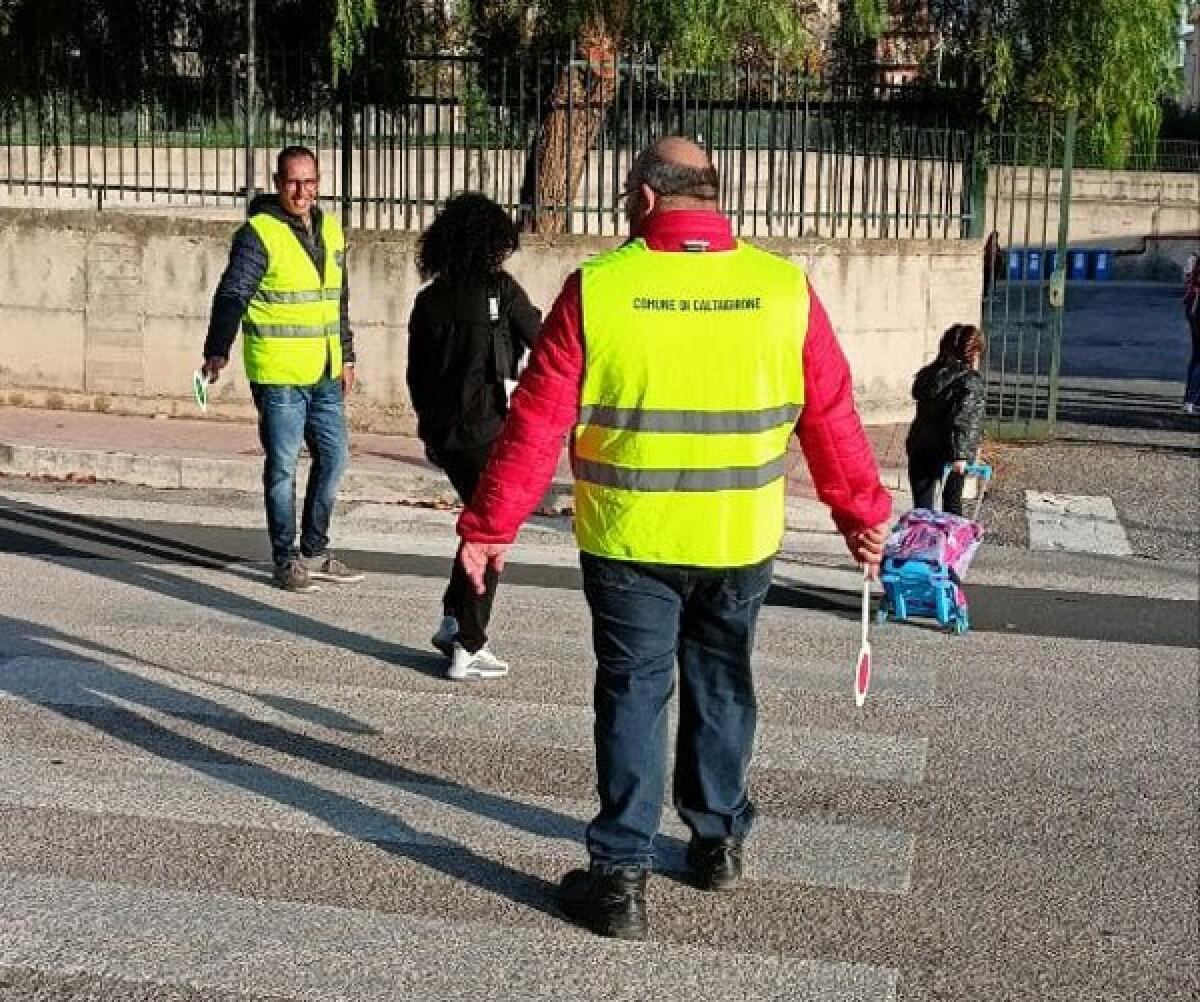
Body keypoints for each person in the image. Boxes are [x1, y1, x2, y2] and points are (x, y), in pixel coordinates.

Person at [455, 137, 892, 940]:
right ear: (712, 196)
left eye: (627, 193)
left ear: (646, 199)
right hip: (737, 540)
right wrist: (860, 516)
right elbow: (831, 415)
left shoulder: (600, 290)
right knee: (722, 683)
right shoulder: (781, 290)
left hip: (630, 543)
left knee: (633, 692)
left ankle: (621, 879)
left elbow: (537, 424)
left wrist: (489, 527)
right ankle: (717, 840)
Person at [202, 145, 363, 593]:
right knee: (283, 467)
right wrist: (218, 348)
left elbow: (337, 300)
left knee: (334, 458)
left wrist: (347, 355)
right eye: (293, 182)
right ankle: (285, 559)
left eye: (309, 182)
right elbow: (232, 293)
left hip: (326, 370)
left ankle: (315, 548)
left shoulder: (331, 229)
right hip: (279, 374)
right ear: (277, 183)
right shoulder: (259, 233)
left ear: (319, 182)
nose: (302, 191)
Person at [406, 194, 542, 680]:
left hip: (444, 434)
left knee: (478, 522)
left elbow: (415, 374)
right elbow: (543, 343)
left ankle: (451, 619)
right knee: (493, 531)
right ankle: (469, 641)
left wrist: (429, 430)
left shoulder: (429, 299)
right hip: (487, 431)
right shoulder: (501, 292)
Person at [905, 323, 986, 517]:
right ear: (973, 352)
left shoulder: (927, 375)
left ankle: (924, 544)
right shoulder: (969, 380)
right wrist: (961, 455)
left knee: (922, 506)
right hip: (949, 450)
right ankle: (949, 545)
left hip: (921, 445)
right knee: (952, 503)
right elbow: (965, 419)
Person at [1183, 254, 1200, 414]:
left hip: (1194, 311)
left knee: (1197, 356)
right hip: (1197, 311)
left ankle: (1193, 400)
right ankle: (1191, 400)